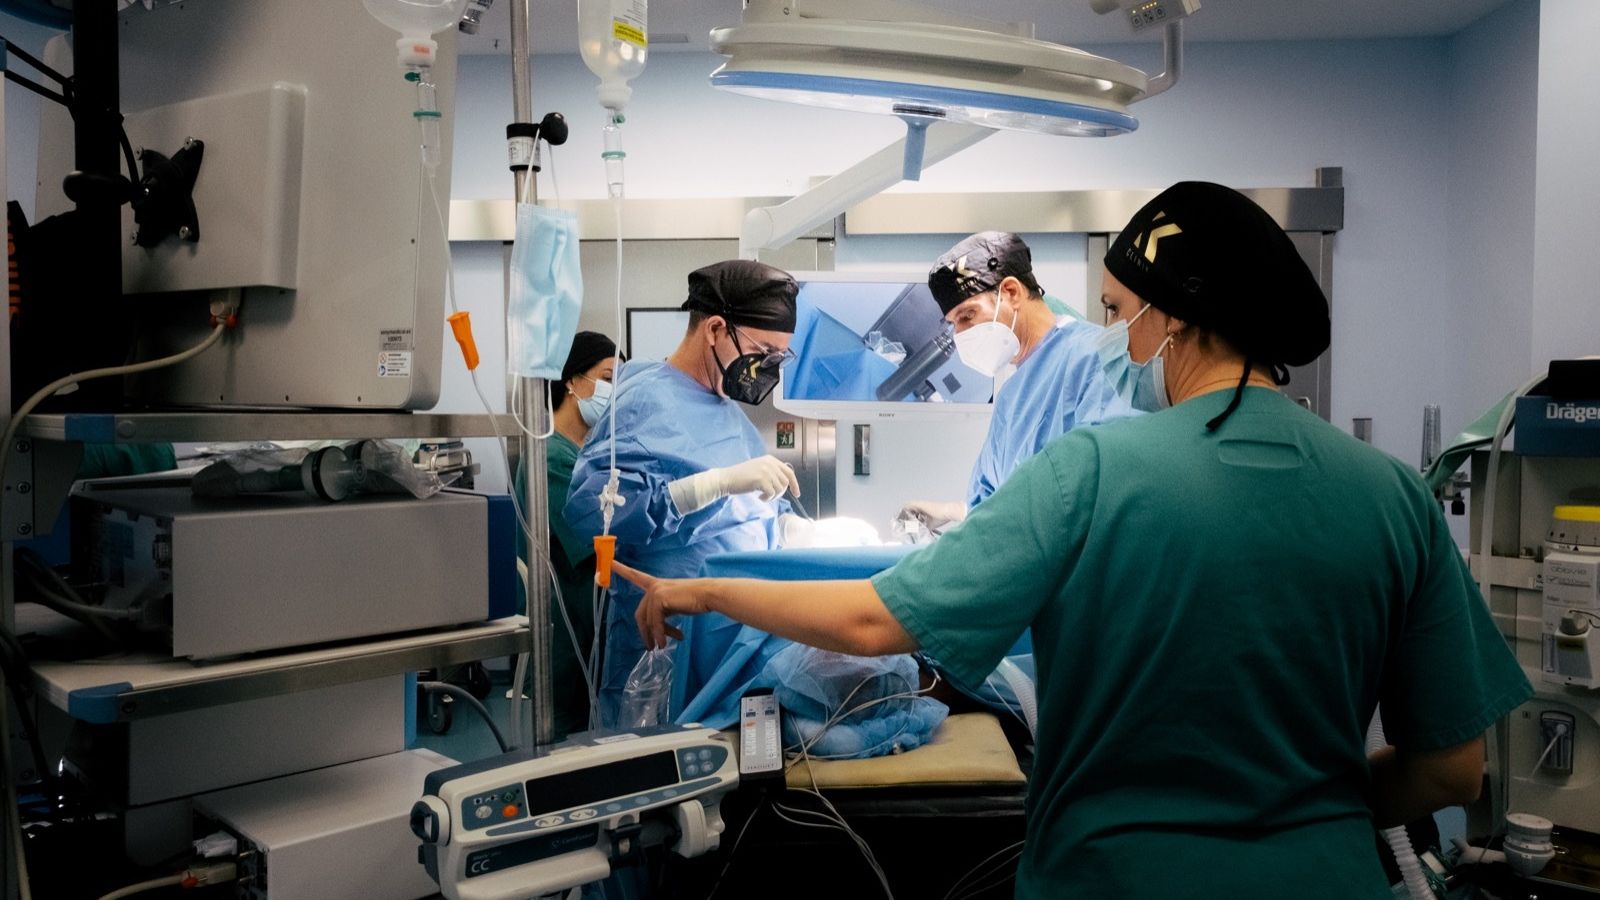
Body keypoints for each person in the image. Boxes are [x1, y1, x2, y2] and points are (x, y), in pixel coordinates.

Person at [617, 183, 1531, 898]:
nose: (1116, 332)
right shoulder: (1392, 496)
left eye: (1122, 307)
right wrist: (1303, 814)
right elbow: (1453, 766)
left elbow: (868, 622)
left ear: (1171, 316)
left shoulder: (1094, 468)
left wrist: (700, 592)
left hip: (1117, 878)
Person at [564, 259, 802, 726]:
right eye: (764, 350)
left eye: (779, 357)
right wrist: (712, 484)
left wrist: (784, 525)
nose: (768, 366)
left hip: (732, 633)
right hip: (665, 640)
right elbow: (591, 515)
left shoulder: (725, 409)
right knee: (655, 773)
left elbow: (743, 509)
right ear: (715, 329)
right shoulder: (645, 400)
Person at [900, 231, 1129, 533]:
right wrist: (954, 510)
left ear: (1010, 292)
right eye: (954, 324)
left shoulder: (1096, 358)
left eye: (968, 315)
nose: (960, 335)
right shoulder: (1012, 393)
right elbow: (1001, 499)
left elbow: (1101, 494)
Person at [513, 331, 619, 738]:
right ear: (572, 381)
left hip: (590, 637)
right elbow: (599, 542)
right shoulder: (552, 457)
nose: (613, 391)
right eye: (606, 377)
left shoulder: (586, 453)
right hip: (567, 644)